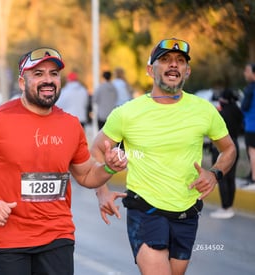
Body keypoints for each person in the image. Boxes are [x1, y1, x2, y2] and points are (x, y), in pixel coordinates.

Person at [0, 47, 127, 275]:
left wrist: (109, 167)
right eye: (38, 74)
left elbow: (87, 175)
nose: (48, 80)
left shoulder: (71, 125)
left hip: (58, 235)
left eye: (53, 74)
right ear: (22, 82)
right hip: (9, 240)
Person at [91, 38, 236, 275]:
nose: (173, 65)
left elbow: (229, 149)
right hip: (145, 210)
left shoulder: (204, 110)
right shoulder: (127, 113)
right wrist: (102, 191)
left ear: (187, 71)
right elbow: (96, 150)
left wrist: (215, 173)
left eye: (180, 61)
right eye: (165, 60)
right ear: (150, 70)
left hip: (186, 212)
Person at [209, 89, 243, 218]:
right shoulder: (237, 111)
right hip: (234, 145)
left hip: (221, 146)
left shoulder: (221, 113)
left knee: (221, 177)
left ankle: (224, 208)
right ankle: (229, 207)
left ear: (223, 100)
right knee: (231, 178)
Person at [241, 63, 255, 189]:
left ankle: (253, 179)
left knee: (252, 152)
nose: (245, 73)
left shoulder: (250, 88)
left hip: (251, 126)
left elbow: (244, 106)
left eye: (247, 71)